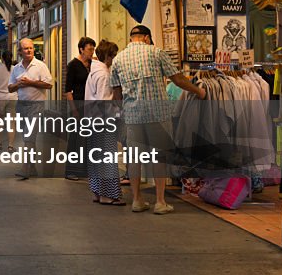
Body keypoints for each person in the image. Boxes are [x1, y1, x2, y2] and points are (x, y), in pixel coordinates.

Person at [110, 25, 206, 215]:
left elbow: (116, 95)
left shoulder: (118, 59)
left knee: (134, 158)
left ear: (132, 38)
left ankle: (137, 200)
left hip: (133, 115)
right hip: (157, 113)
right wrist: (199, 91)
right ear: (146, 38)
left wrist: (126, 111)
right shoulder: (157, 53)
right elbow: (178, 80)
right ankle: (160, 202)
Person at [85, 40, 124, 205]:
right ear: (107, 56)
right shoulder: (104, 74)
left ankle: (97, 191)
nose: (114, 59)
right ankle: (107, 194)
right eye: (113, 56)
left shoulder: (94, 71)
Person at [9, 38, 54, 179]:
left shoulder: (40, 66)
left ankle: (25, 167)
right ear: (20, 51)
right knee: (28, 138)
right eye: (25, 48)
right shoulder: (16, 69)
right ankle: (33, 167)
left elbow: (49, 84)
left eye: (31, 48)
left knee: (29, 137)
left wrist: (31, 82)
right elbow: (10, 88)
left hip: (36, 105)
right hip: (21, 105)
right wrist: (19, 84)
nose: (29, 50)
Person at [63, 37, 96, 181]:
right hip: (78, 104)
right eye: (89, 49)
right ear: (81, 49)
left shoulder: (92, 64)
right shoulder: (73, 65)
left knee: (88, 138)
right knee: (75, 139)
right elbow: (67, 90)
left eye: (93, 49)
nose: (92, 52)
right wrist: (74, 110)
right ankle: (71, 170)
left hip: (90, 106)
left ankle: (85, 169)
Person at [0, 50, 18, 150]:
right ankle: (10, 145)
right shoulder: (16, 69)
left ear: (2, 58)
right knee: (11, 122)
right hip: (12, 97)